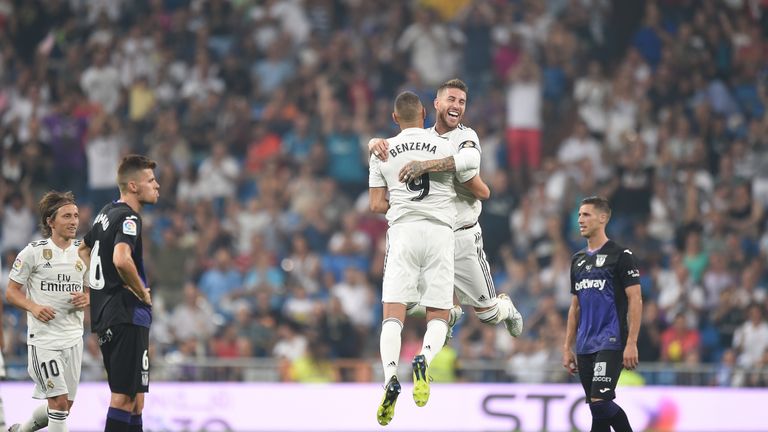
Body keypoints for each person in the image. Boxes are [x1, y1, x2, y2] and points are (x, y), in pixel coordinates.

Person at [369, 91, 489, 426]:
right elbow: (475, 184)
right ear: (424, 112)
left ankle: (391, 377)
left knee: (393, 312)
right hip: (439, 232)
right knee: (439, 311)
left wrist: (405, 205)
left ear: (395, 118)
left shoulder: (382, 149)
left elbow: (377, 206)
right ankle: (423, 358)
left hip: (404, 232)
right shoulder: (446, 145)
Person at [369, 78, 523, 339]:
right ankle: (449, 312)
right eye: (451, 99)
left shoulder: (465, 135)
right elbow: (391, 152)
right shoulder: (423, 138)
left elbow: (472, 162)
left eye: (462, 102)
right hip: (430, 231)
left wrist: (427, 166)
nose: (457, 106)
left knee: (487, 314)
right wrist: (374, 142)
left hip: (462, 235)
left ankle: (505, 308)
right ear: (436, 104)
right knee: (402, 301)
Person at [78, 155, 159, 432]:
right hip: (127, 314)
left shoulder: (106, 213)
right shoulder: (129, 218)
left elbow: (83, 249)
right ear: (134, 186)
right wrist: (142, 292)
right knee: (124, 398)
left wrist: (99, 288)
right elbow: (121, 259)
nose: (157, 186)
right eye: (151, 181)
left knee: (136, 400)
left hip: (109, 315)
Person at [6, 191, 89, 432]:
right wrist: (33, 307)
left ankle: (20, 431)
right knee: (59, 402)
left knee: (65, 405)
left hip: (74, 337)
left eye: (75, 215)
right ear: (50, 221)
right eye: (66, 216)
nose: (74, 221)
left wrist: (87, 297)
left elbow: (92, 289)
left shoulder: (84, 252)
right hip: (44, 340)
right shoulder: (33, 252)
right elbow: (11, 292)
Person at [562, 196, 642, 432]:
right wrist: (568, 347)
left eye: (586, 214)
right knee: (598, 412)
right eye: (579, 215)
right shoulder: (577, 260)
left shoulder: (621, 255)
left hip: (611, 339)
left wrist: (632, 343)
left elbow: (635, 299)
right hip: (585, 344)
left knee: (600, 404)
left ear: (603, 218)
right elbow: (574, 307)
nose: (580, 220)